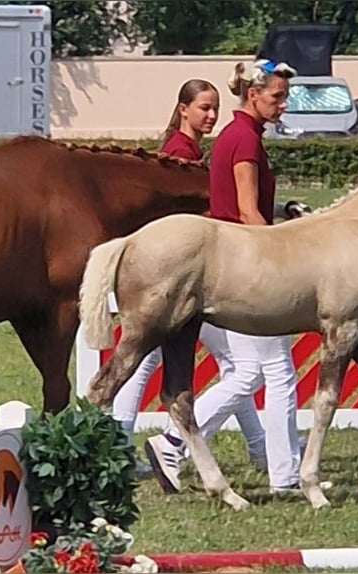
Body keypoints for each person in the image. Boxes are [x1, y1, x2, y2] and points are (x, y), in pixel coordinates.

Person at [149, 58, 314, 494]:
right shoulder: (244, 140)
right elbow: (244, 211)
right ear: (253, 95)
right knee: (268, 373)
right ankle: (179, 443)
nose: (283, 104)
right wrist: (288, 254)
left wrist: (285, 215)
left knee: (255, 372)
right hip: (245, 266)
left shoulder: (238, 136)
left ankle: (279, 470)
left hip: (231, 261)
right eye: (277, 97)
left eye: (285, 96)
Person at [110, 79, 269, 491]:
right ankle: (148, 446)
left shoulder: (191, 152)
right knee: (238, 367)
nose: (211, 115)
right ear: (183, 109)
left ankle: (258, 446)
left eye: (215, 108)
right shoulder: (180, 155)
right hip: (187, 278)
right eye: (203, 108)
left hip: (191, 275)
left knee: (155, 364)